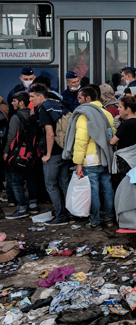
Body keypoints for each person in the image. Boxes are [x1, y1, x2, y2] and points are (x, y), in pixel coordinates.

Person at [65, 86, 116, 230]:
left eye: (80, 98)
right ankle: (109, 218)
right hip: (106, 158)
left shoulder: (84, 115)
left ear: (88, 99)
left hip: (90, 160)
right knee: (107, 189)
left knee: (93, 191)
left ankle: (95, 221)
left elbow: (81, 141)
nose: (78, 101)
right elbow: (112, 135)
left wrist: (78, 162)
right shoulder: (107, 113)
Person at [28, 85, 70, 224]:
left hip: (53, 153)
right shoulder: (57, 104)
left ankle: (61, 216)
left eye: (32, 96)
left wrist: (48, 154)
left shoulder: (43, 109)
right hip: (65, 151)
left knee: (51, 185)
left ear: (40, 96)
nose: (30, 99)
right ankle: (70, 214)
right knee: (64, 184)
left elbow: (50, 133)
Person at [3, 92, 37, 219]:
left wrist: (6, 152)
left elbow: (11, 137)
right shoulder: (33, 115)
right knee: (31, 179)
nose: (12, 103)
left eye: (14, 101)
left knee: (16, 181)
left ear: (21, 102)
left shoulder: (16, 117)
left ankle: (22, 209)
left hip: (18, 154)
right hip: (32, 153)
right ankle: (33, 205)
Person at [109, 94, 136, 190]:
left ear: (127, 109)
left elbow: (112, 142)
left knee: (123, 186)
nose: (118, 109)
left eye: (120, 107)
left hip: (124, 159)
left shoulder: (126, 124)